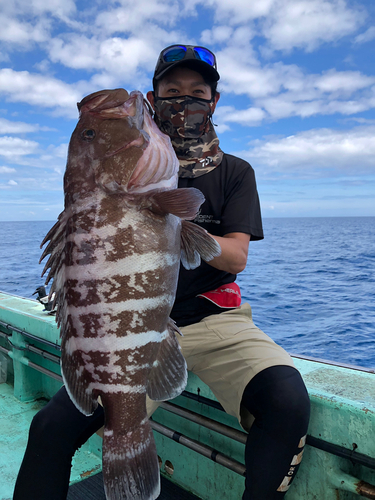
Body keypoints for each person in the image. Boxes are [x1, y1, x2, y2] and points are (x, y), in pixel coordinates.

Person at [13, 45, 310, 500]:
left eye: (197, 92)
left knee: (287, 400)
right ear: (153, 100)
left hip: (216, 321)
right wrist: (144, 211)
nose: (184, 100)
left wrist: (171, 221)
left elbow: (235, 258)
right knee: (50, 428)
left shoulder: (234, 172)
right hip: (127, 334)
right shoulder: (129, 174)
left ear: (214, 102)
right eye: (172, 91)